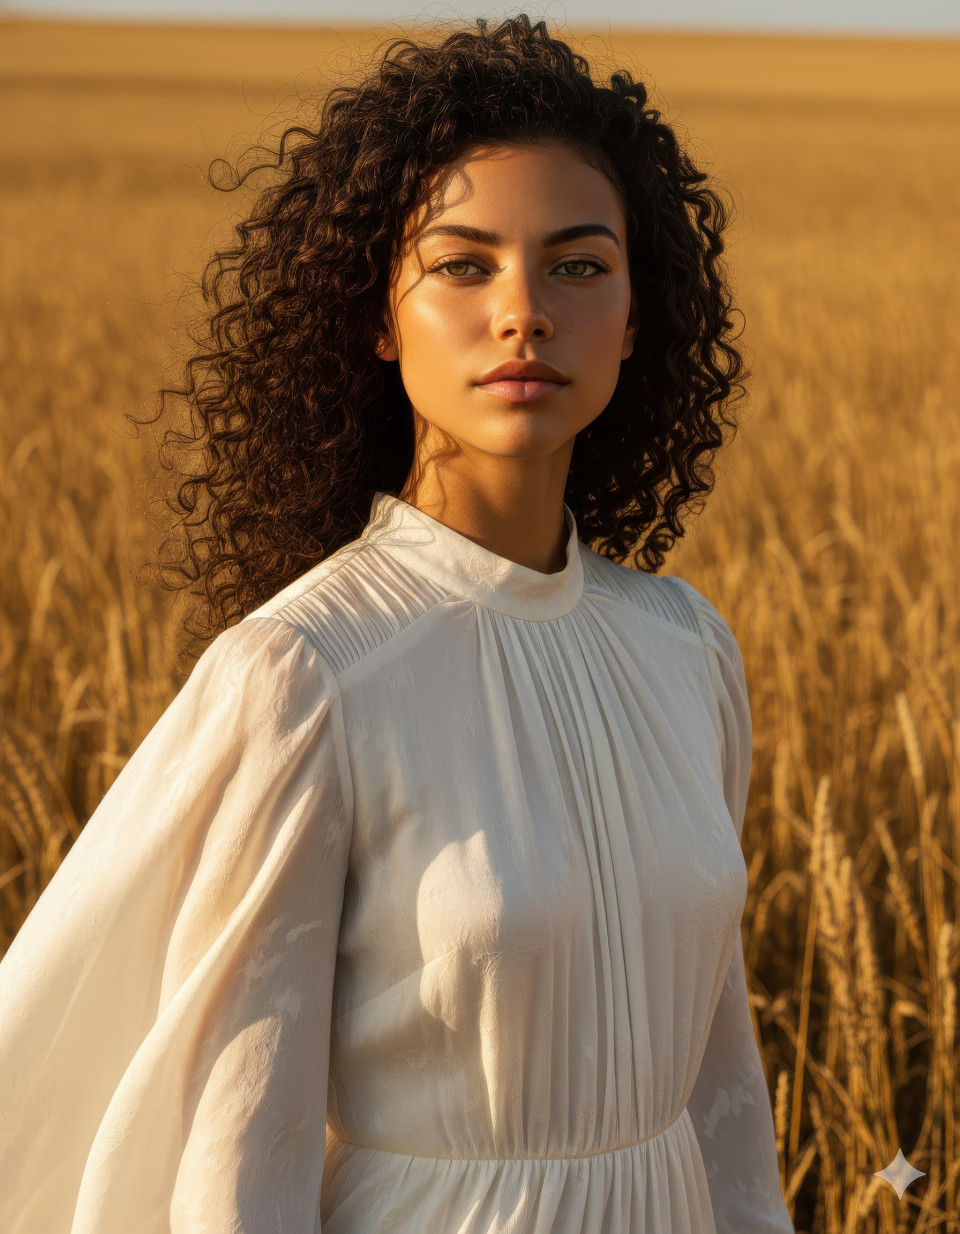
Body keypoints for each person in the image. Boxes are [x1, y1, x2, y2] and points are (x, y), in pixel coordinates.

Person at [0, 13, 795, 1233]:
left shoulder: (686, 649)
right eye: (464, 266)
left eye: (579, 265)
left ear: (638, 316)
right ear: (377, 314)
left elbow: (722, 1082)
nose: (524, 312)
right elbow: (241, 1145)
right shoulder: (305, 676)